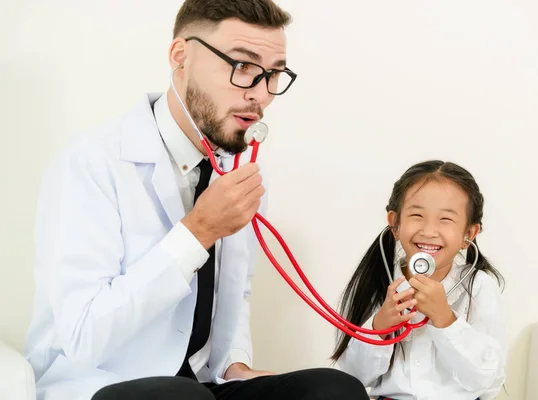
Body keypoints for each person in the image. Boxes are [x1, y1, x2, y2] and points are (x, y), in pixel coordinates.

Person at [23, 1, 369, 399]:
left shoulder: (239, 173)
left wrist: (234, 363)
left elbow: (235, 291)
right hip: (101, 384)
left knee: (333, 390)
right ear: (180, 57)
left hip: (200, 387)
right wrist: (199, 230)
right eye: (242, 66)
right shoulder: (93, 162)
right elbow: (83, 336)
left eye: (273, 74)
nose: (261, 95)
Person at [331, 160, 507, 400]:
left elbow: (487, 380)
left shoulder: (478, 286)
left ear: (468, 234)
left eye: (446, 219)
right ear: (394, 223)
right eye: (416, 215)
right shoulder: (381, 279)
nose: (428, 230)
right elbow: (352, 378)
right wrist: (380, 327)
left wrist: (445, 319)